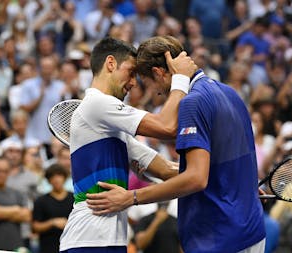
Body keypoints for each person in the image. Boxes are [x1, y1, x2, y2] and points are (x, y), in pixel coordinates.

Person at [87, 36, 266, 253]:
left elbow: (196, 178)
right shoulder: (229, 93)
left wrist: (131, 197)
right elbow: (223, 164)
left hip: (220, 236)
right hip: (252, 231)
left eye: (150, 85)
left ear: (158, 73)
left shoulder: (192, 102)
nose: (157, 93)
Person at [59, 36, 197, 253]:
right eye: (131, 72)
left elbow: (168, 171)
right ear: (111, 64)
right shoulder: (97, 103)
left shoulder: (114, 130)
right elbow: (167, 126)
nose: (133, 83)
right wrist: (180, 79)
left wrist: (230, 181)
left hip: (111, 241)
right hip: (87, 240)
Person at [32, 164, 74, 253]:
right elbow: (35, 227)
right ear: (48, 180)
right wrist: (52, 223)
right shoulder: (41, 201)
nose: (56, 179)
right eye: (52, 176)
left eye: (59, 175)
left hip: (71, 244)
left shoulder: (74, 199)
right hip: (48, 246)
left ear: (65, 177)